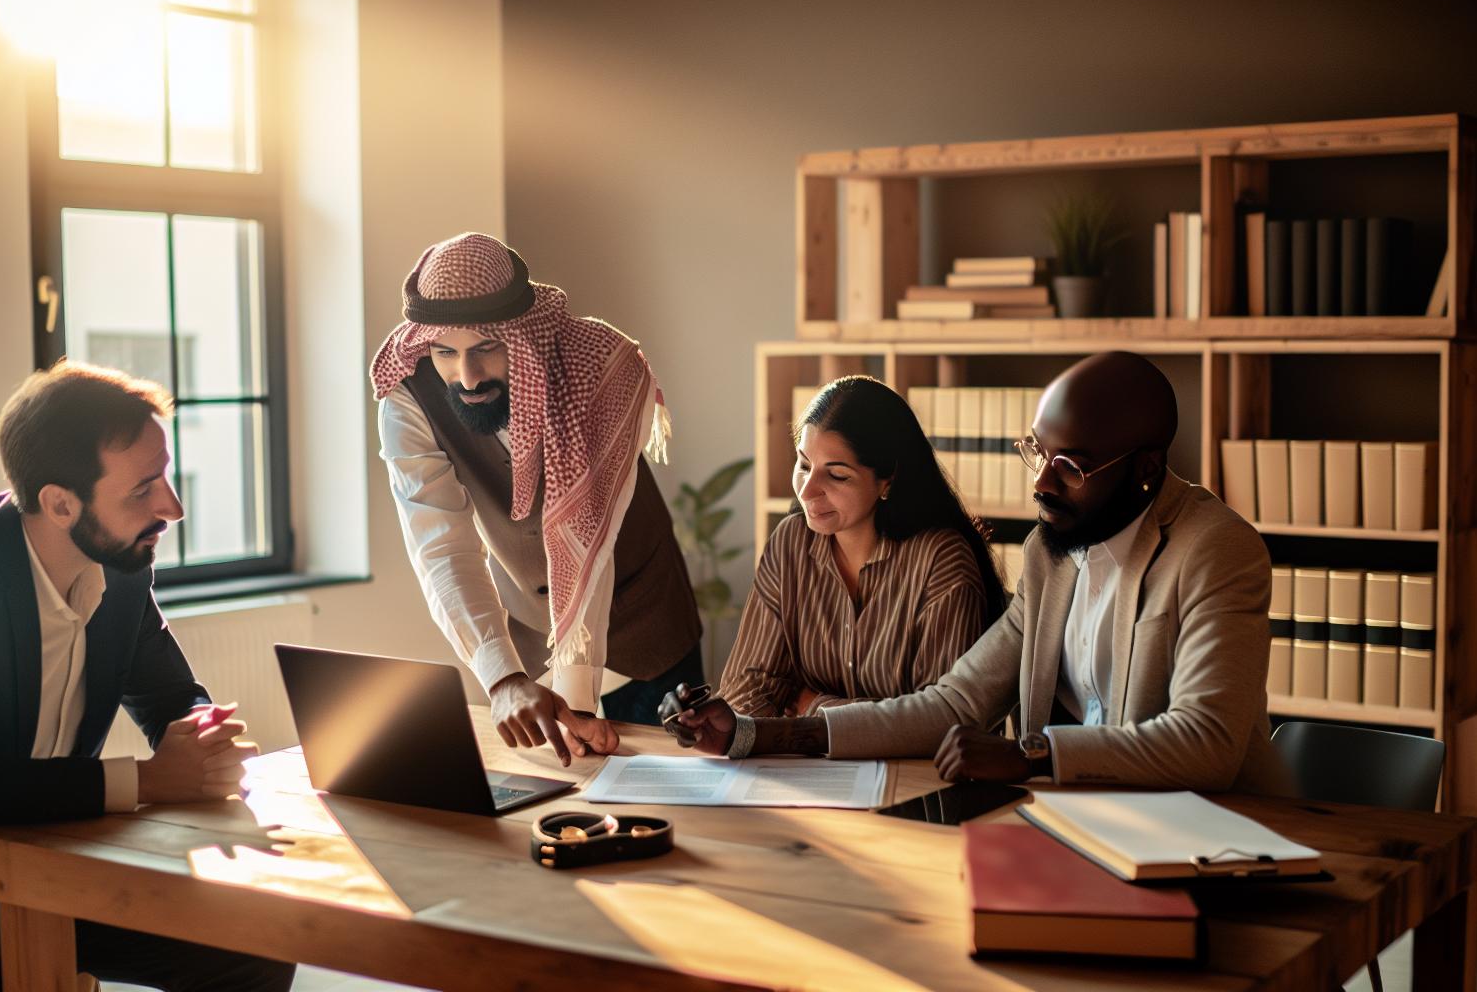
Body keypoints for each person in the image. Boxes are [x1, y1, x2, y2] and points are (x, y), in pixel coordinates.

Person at [0, 362, 293, 991]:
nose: (173, 507)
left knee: (255, 942)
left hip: (50, 875)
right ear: (58, 503)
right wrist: (151, 781)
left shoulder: (123, 570)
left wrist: (200, 736)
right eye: (144, 488)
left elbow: (168, 694)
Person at [665, 351, 1290, 795]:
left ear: (1147, 470)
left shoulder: (1216, 551)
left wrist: (1028, 754)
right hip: (1075, 822)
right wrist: (755, 734)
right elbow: (957, 701)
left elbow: (1205, 743)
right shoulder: (1053, 552)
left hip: (1207, 835)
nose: (1040, 483)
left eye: (1069, 465)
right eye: (1037, 452)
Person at [373, 231, 703, 766]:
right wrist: (503, 676)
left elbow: (587, 539)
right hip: (531, 641)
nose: (467, 376)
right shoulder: (408, 396)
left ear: (522, 336)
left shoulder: (593, 366)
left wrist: (577, 700)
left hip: (646, 634)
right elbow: (441, 544)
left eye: (486, 349)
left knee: (675, 811)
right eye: (445, 353)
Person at [716, 376, 1004, 717]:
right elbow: (744, 688)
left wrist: (813, 706)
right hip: (803, 765)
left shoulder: (940, 560)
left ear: (887, 480)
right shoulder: (790, 542)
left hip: (912, 771)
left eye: (836, 475)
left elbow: (937, 718)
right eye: (804, 465)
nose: (807, 491)